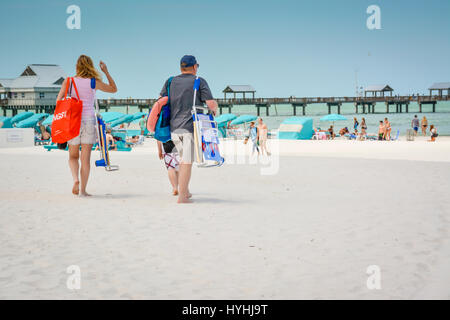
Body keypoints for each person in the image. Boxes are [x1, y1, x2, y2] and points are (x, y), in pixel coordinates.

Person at [156, 55, 218, 203]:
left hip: (173, 128)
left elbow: (160, 101)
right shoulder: (199, 81)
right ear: (195, 67)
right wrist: (214, 110)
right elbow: (210, 103)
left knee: (183, 158)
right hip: (189, 127)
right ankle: (182, 196)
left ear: (180, 67)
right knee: (186, 161)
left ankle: (186, 190)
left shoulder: (170, 81)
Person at [56, 55, 117, 196]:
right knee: (85, 159)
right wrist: (106, 71)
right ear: (90, 66)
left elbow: (58, 101)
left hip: (73, 121)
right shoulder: (93, 82)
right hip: (89, 120)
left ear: (77, 66)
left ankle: (75, 179)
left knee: (72, 156)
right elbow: (114, 89)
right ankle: (83, 191)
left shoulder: (69, 81)